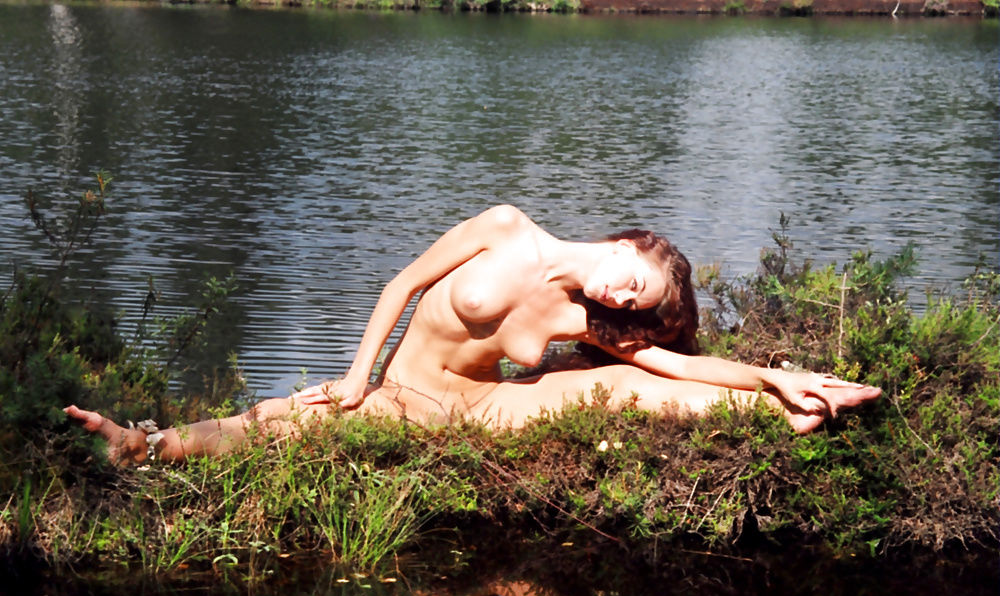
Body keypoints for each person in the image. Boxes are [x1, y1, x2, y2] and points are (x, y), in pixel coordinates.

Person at [65, 205, 880, 465]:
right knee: (280, 419)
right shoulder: (505, 227)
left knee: (638, 382)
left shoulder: (585, 321)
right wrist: (357, 379)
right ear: (629, 243)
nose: (621, 297)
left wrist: (774, 376)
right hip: (403, 396)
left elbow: (676, 363)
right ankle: (146, 445)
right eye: (634, 281)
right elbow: (401, 285)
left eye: (637, 303)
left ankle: (790, 412)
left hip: (482, 412)